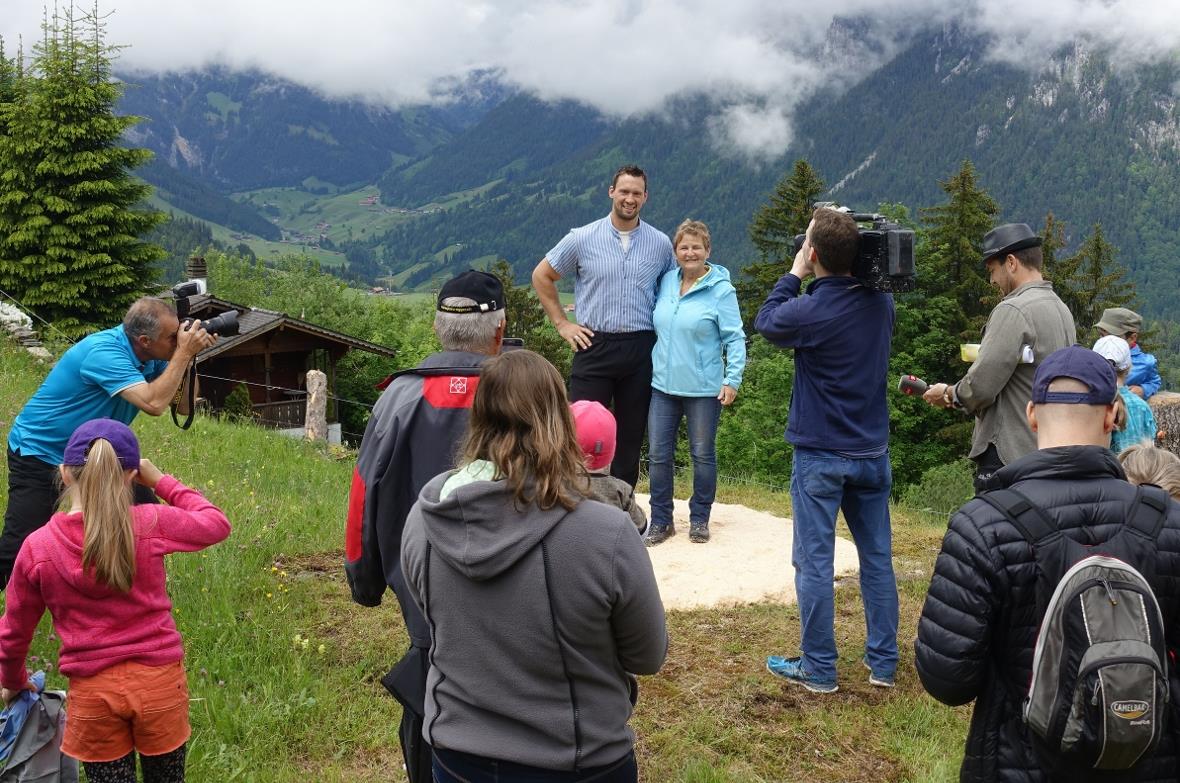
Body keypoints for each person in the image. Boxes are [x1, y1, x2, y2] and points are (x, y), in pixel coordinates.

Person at [915, 345, 1180, 782]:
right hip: (1151, 764)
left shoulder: (983, 525)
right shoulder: (1167, 521)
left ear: (1033, 414)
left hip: (1019, 762)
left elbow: (947, 679)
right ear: (1113, 414)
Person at [401, 350, 667, 783]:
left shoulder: (424, 520)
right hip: (578, 760)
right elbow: (647, 654)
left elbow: (435, 622)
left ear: (477, 419)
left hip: (455, 756)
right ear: (561, 421)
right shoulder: (608, 533)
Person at [0, 418, 231, 783]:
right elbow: (216, 523)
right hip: (159, 687)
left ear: (64, 472)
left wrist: (12, 679)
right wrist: (160, 481)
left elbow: (14, 631)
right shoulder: (150, 522)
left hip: (93, 699)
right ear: (130, 476)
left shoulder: (38, 547)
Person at [344, 270, 505, 783]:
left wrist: (364, 579)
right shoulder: (521, 396)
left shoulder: (398, 398)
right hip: (511, 600)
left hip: (420, 594)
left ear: (438, 329)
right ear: (499, 332)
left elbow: (363, 495)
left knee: (429, 690)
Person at [754, 207, 897, 693]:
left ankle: (818, 667)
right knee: (877, 558)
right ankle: (883, 664)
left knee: (814, 561)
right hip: (872, 451)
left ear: (812, 253)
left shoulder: (811, 310)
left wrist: (795, 272)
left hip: (820, 452)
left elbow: (767, 320)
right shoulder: (882, 305)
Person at [0, 298, 215, 589]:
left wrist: (186, 358)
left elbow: (185, 407)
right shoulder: (104, 352)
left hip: (99, 454)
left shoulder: (151, 356)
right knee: (20, 543)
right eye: (171, 337)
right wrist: (182, 354)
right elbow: (153, 403)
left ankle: (128, 585)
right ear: (144, 340)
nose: (178, 340)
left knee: (142, 515)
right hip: (41, 451)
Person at [531, 164, 676, 487]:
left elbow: (672, 291)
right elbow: (542, 275)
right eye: (624, 191)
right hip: (592, 345)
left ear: (645, 197)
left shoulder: (661, 244)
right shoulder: (581, 238)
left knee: (630, 436)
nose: (629, 198)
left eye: (636, 193)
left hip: (641, 348)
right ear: (611, 192)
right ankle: (575, 503)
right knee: (580, 430)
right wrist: (561, 324)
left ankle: (623, 508)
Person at [922, 223, 1076, 492]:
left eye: (993, 270)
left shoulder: (1014, 310)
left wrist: (949, 394)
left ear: (1012, 263)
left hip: (1009, 453)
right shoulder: (1060, 309)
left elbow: (981, 385)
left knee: (995, 530)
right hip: (1047, 448)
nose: (992, 280)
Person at [645, 219, 745, 546]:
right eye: (684, 247)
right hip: (662, 386)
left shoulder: (721, 290)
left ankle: (699, 517)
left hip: (704, 388)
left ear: (708, 251)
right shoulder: (666, 282)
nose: (690, 253)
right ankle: (661, 521)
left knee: (702, 454)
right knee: (659, 455)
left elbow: (735, 338)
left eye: (696, 247)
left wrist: (732, 379)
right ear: (676, 251)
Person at [569, 400, 648, 534]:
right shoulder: (621, 490)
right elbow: (641, 528)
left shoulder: (556, 485)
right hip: (609, 551)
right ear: (612, 449)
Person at [1093, 334, 1157, 452]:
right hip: (1136, 469)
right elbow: (1150, 451)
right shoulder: (1142, 407)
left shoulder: (1091, 405)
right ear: (1128, 368)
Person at [1095, 306, 1162, 399]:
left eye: (1114, 337)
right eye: (1102, 335)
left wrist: (1144, 390)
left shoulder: (1146, 363)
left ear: (1132, 338)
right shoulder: (1096, 355)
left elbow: (1155, 382)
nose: (1107, 341)